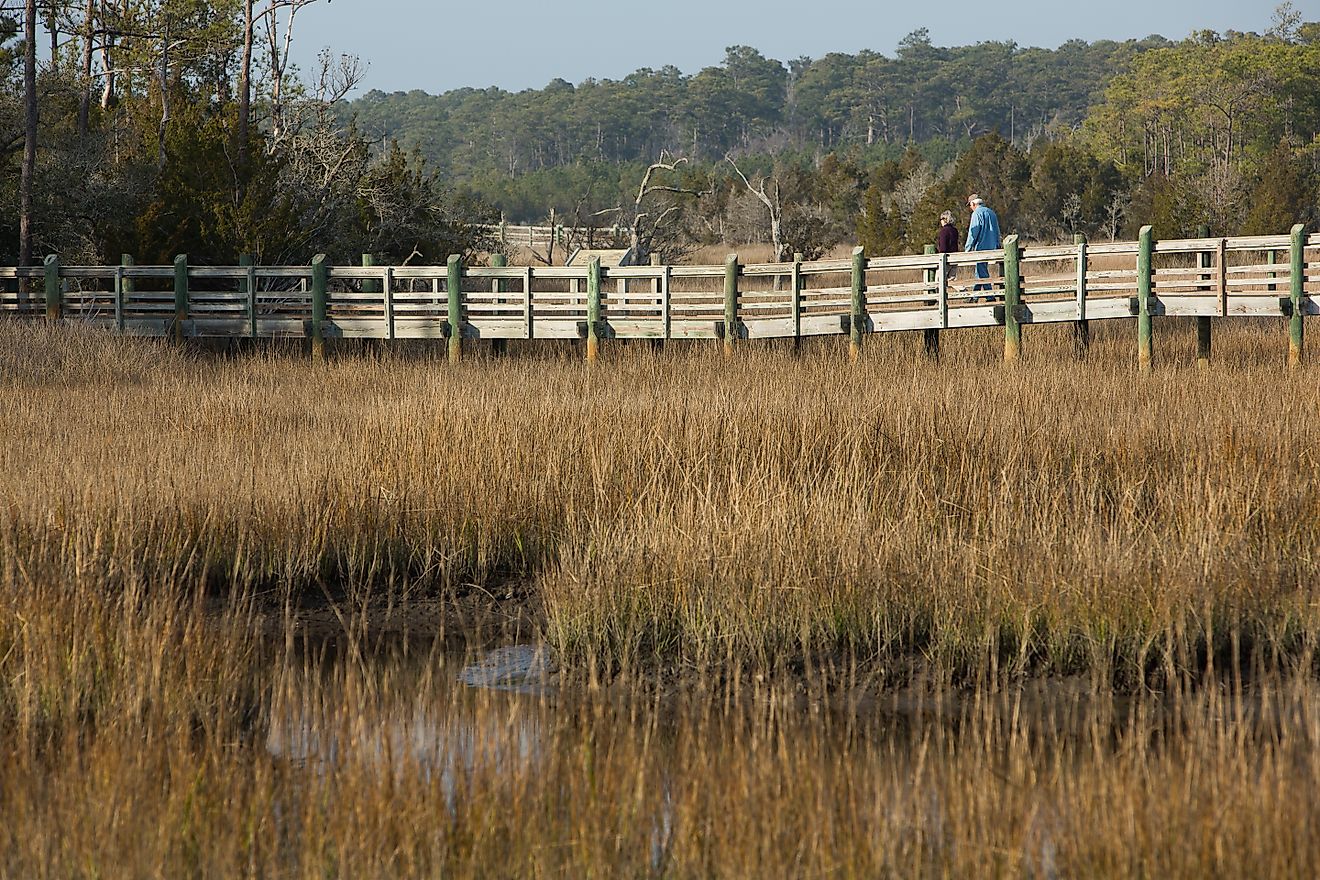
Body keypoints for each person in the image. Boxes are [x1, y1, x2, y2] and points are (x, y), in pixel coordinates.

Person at [964, 194, 1001, 301]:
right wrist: (998, 244)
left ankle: (990, 296)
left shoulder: (977, 214)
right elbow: (997, 230)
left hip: (981, 246)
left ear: (974, 203)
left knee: (982, 271)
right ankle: (974, 296)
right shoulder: (991, 212)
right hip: (992, 245)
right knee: (979, 271)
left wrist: (968, 247)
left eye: (970, 205)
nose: (970, 208)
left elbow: (973, 232)